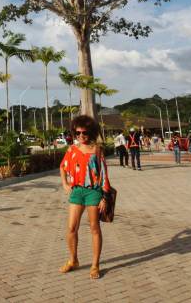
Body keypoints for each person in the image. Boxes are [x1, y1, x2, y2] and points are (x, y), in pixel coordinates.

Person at [59, 115, 110, 280]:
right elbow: (62, 167)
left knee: (94, 228)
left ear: (92, 132)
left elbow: (103, 175)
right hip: (77, 192)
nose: (81, 136)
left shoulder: (97, 150)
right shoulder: (72, 150)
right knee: (71, 228)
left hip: (93, 192)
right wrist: (65, 184)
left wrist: (104, 197)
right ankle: (73, 260)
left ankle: (95, 265)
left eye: (85, 133)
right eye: (78, 132)